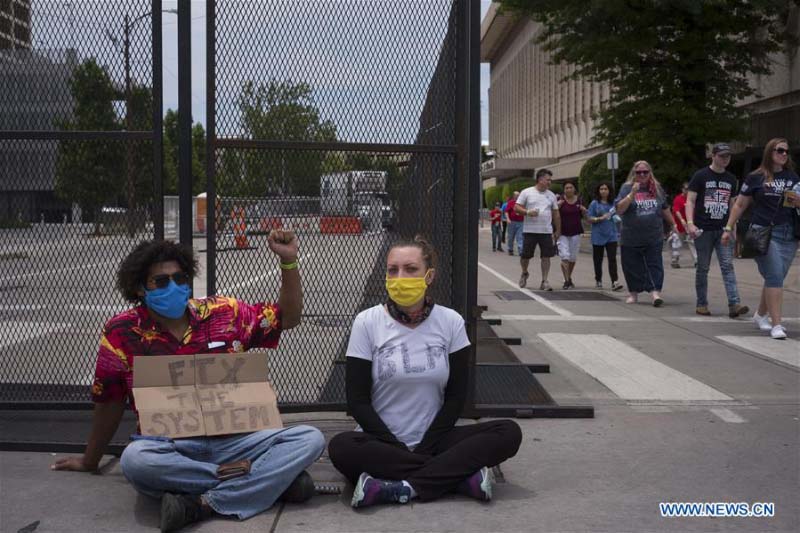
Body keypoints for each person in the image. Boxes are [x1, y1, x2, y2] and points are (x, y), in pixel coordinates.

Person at [51, 236, 326, 532]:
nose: (174, 287)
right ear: (139, 288)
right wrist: (90, 460)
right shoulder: (121, 332)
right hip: (170, 447)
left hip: (236, 441)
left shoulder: (225, 312)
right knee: (135, 461)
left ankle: (200, 503)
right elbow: (110, 400)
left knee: (309, 439)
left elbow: (288, 318)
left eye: (180, 278)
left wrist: (288, 261)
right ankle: (268, 482)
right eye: (161, 281)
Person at [328, 236, 522, 508]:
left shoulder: (451, 322)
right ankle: (457, 477)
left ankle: (402, 487)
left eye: (410, 269)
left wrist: (427, 445)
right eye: (392, 270)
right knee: (341, 447)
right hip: (380, 443)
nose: (399, 277)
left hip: (436, 439)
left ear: (429, 276)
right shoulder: (367, 322)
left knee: (508, 432)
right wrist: (395, 447)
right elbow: (357, 401)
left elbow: (456, 398)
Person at [722, 138, 799, 339]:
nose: (784, 154)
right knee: (774, 276)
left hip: (788, 234)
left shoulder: (793, 177)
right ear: (769, 152)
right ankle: (777, 325)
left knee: (776, 277)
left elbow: (795, 206)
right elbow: (739, 205)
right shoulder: (755, 177)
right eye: (780, 150)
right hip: (763, 233)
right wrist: (728, 227)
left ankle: (760, 315)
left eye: (786, 151)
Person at [686, 143, 749, 318]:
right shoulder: (700, 176)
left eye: (728, 156)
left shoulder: (731, 179)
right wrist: (690, 223)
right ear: (713, 156)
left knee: (728, 266)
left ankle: (734, 304)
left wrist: (732, 226)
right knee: (703, 268)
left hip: (723, 229)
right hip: (703, 229)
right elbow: (690, 201)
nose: (725, 159)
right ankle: (701, 304)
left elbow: (733, 204)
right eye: (721, 156)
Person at [615, 161, 679, 306]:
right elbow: (619, 209)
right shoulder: (626, 188)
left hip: (653, 235)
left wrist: (673, 224)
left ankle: (655, 293)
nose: (642, 175)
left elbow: (664, 208)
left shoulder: (656, 188)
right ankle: (633, 293)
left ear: (650, 173)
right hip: (631, 236)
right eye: (639, 172)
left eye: (645, 172)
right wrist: (632, 194)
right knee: (631, 266)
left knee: (655, 264)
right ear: (634, 174)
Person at [515, 169, 561, 290]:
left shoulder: (551, 195)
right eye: (548, 180)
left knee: (546, 256)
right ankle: (524, 272)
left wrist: (557, 231)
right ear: (540, 180)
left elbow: (556, 214)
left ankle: (544, 281)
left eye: (550, 180)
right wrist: (527, 212)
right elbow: (516, 207)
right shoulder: (527, 192)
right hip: (530, 231)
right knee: (525, 256)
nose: (550, 182)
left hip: (546, 231)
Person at [587, 182, 623, 291]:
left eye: (605, 189)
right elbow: (589, 218)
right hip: (598, 235)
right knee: (598, 260)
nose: (603, 191)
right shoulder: (594, 203)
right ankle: (598, 280)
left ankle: (615, 281)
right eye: (601, 189)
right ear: (598, 191)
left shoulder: (613, 203)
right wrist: (599, 219)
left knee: (612, 259)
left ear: (609, 190)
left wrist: (617, 218)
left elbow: (619, 213)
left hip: (611, 234)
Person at [556, 181, 586, 289]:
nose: (568, 189)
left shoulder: (579, 201)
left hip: (576, 232)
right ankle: (566, 281)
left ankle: (569, 277)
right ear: (564, 190)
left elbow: (585, 215)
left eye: (570, 187)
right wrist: (556, 207)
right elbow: (553, 216)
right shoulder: (560, 202)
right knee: (565, 256)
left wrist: (584, 211)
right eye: (566, 188)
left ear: (574, 189)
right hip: (562, 233)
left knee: (572, 258)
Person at [670, 182, 698, 268]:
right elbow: (676, 210)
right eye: (686, 189)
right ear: (682, 189)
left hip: (690, 225)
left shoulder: (692, 199)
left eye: (689, 189)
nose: (687, 190)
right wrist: (681, 219)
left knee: (692, 242)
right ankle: (675, 260)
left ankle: (697, 260)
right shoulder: (678, 199)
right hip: (679, 225)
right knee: (677, 242)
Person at [505, 191, 524, 255]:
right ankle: (510, 249)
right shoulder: (511, 203)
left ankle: (520, 250)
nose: (518, 196)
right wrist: (508, 219)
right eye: (516, 195)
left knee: (520, 237)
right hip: (512, 222)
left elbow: (525, 211)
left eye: (519, 195)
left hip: (521, 222)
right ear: (514, 196)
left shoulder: (522, 203)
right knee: (510, 237)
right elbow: (506, 211)